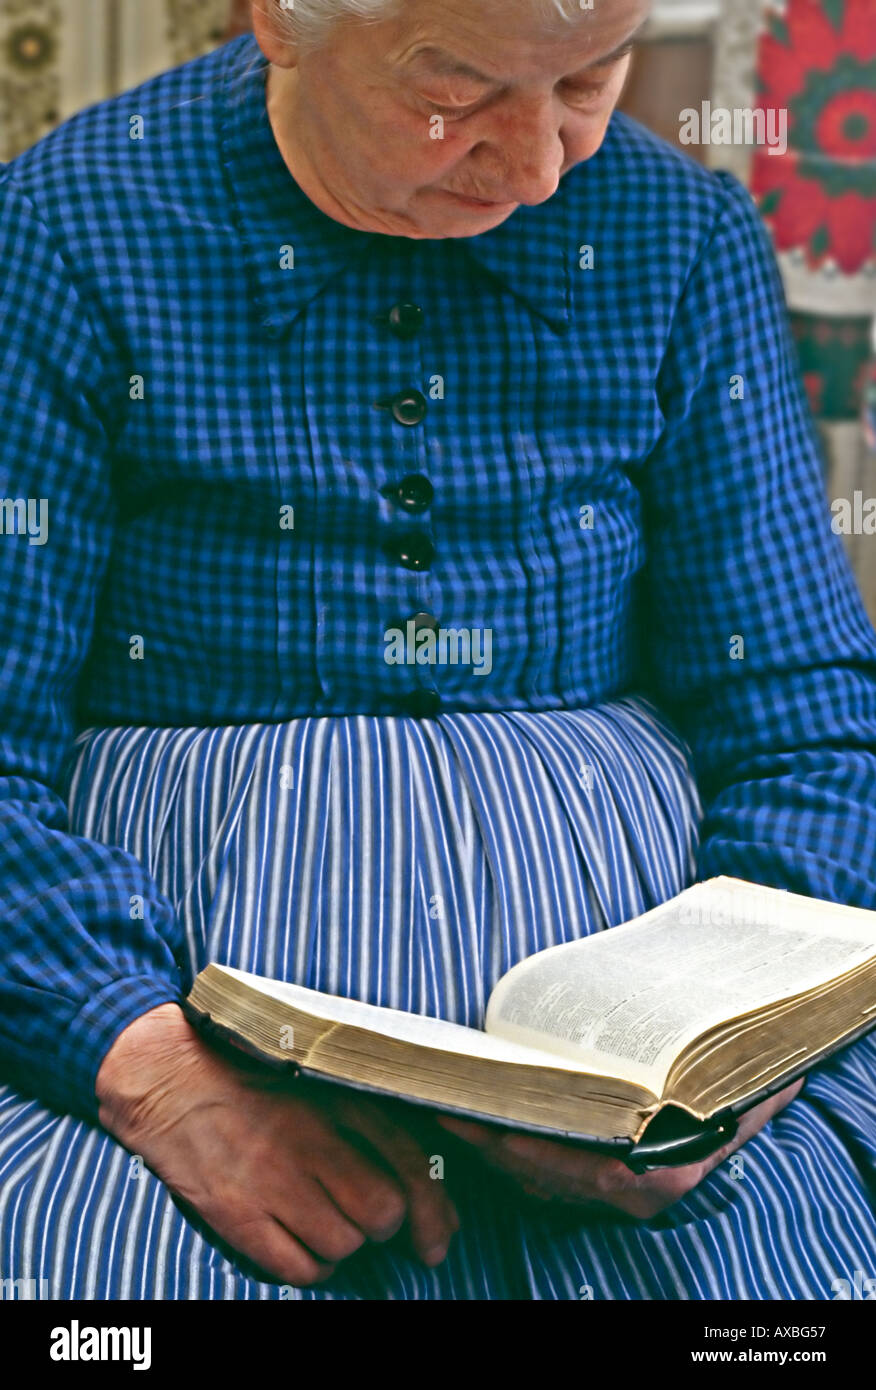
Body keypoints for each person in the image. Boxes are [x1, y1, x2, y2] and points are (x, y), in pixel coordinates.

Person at [1, 0, 875, 1301]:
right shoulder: (61, 233)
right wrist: (152, 1072)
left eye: (589, 79)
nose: (536, 167)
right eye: (455, 87)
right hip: (160, 1009)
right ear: (282, 22)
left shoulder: (684, 238)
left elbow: (805, 716)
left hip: (648, 1082)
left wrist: (731, 1057)